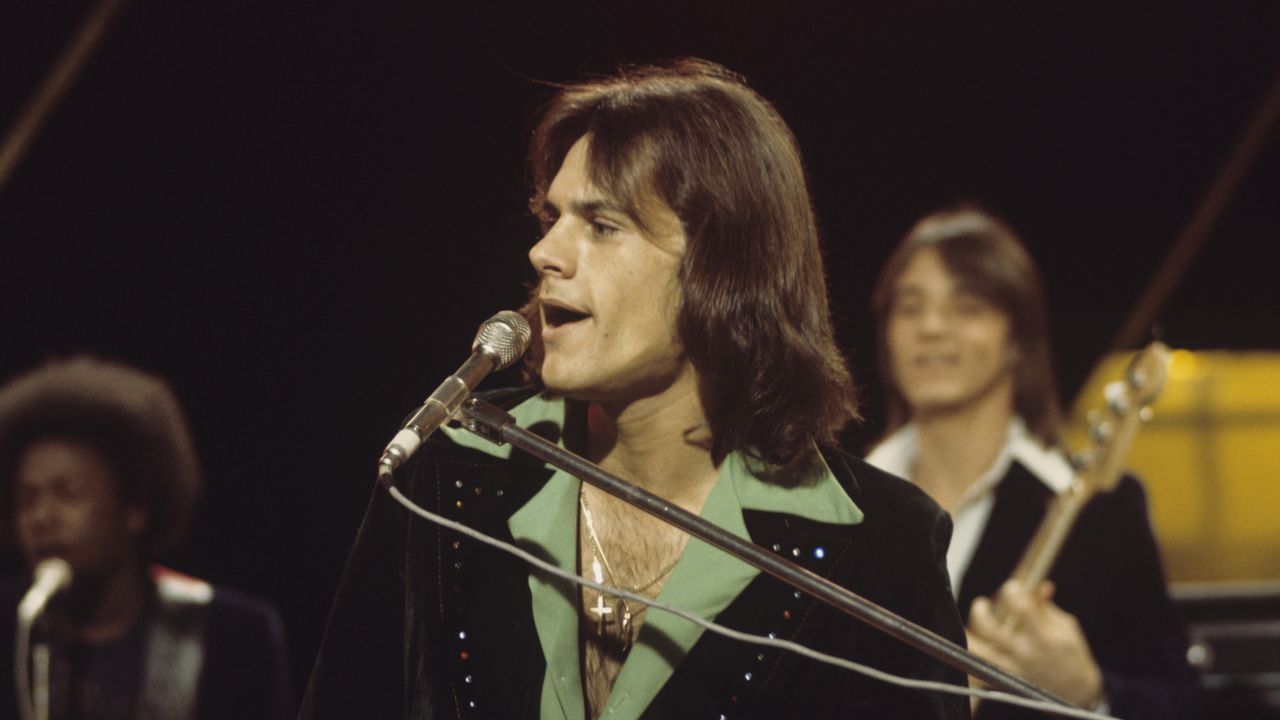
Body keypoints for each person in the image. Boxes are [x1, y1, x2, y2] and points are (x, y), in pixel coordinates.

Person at [301, 59, 970, 719]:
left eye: (602, 225)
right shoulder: (446, 470)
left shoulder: (883, 549)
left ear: (723, 268)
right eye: (551, 218)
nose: (544, 253)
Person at [865, 206, 1200, 718]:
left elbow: (1182, 703)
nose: (931, 327)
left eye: (967, 307)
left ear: (1018, 341)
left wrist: (1090, 692)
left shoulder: (1099, 511)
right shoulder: (844, 500)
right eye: (909, 308)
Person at [0, 356, 293, 720]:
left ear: (134, 507)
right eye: (26, 499)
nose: (41, 516)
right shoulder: (12, 628)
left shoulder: (229, 634)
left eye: (68, 493)